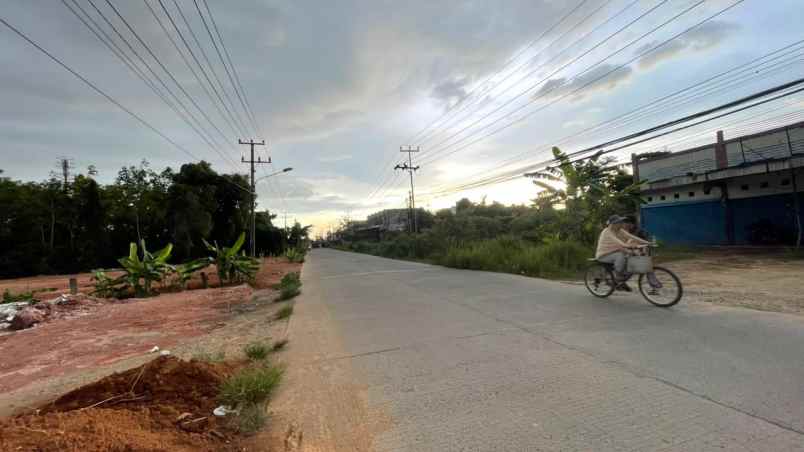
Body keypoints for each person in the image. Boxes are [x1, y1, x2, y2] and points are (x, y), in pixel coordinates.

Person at [595, 214, 651, 291]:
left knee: (632, 259)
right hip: (603, 255)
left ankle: (620, 280)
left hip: (614, 252)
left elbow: (631, 237)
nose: (621, 224)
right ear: (613, 224)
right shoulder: (607, 232)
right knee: (621, 255)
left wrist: (648, 243)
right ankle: (616, 277)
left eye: (621, 222)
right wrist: (630, 246)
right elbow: (619, 243)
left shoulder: (619, 230)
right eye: (619, 222)